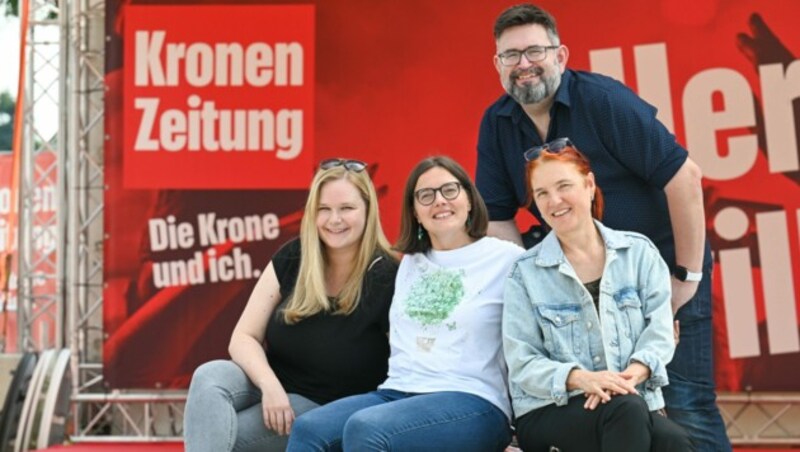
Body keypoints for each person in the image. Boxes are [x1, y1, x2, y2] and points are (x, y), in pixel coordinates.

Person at [476, 4, 729, 450]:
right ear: (497, 65)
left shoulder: (603, 101)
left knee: (686, 404)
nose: (523, 64)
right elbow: (497, 218)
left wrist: (684, 279)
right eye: (510, 55)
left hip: (657, 274)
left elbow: (684, 177)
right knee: (610, 410)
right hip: (573, 292)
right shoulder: (497, 124)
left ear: (561, 55)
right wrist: (531, 292)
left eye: (535, 50)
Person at [286, 156, 525, 451]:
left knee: (367, 429)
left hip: (472, 398)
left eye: (449, 190)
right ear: (415, 212)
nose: (439, 201)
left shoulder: (507, 259)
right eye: (425, 195)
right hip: (399, 392)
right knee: (310, 428)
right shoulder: (412, 262)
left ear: (470, 199)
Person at [183, 159, 399, 452]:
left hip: (326, 404)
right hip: (271, 383)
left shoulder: (387, 274)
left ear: (368, 210)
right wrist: (270, 385)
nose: (334, 219)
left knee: (229, 435)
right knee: (209, 376)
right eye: (324, 209)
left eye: (346, 208)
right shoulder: (294, 256)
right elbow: (243, 337)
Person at [503, 141, 692, 451]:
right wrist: (582, 379)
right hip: (550, 408)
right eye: (542, 194)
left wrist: (628, 377)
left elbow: (659, 332)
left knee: (674, 442)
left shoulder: (639, 253)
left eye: (564, 186)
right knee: (627, 411)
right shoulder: (523, 273)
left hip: (629, 397)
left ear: (589, 185)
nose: (555, 201)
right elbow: (522, 362)